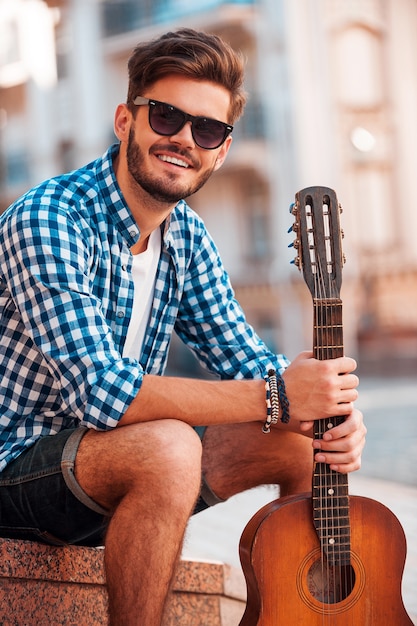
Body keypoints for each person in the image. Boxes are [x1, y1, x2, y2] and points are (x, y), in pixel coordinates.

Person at [0, 28, 365, 626]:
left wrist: (329, 414)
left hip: (110, 470)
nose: (183, 141)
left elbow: (247, 360)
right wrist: (278, 396)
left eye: (207, 130)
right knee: (169, 446)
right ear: (126, 121)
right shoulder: (49, 217)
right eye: (166, 117)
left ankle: (302, 616)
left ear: (221, 150)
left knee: (304, 441)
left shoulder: (187, 237)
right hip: (16, 472)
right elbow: (103, 393)